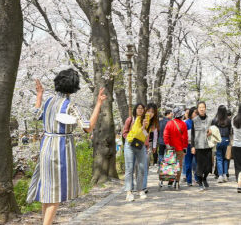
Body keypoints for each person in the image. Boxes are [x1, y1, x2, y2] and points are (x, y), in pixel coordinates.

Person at [27, 69, 106, 225]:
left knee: (48, 192)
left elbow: (36, 114)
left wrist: (39, 95)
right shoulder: (70, 106)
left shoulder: (49, 101)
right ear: (74, 87)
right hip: (61, 149)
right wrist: (98, 104)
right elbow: (88, 127)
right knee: (55, 193)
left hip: (46, 147)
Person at [121, 102, 151, 201]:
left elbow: (146, 134)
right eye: (138, 108)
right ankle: (129, 192)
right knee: (129, 168)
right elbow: (124, 132)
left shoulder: (146, 121)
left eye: (142, 108)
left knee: (142, 167)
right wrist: (130, 138)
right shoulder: (130, 119)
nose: (140, 110)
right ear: (135, 110)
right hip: (130, 145)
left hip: (140, 146)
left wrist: (144, 128)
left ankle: (139, 189)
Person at [163, 107, 189, 190]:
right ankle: (177, 182)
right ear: (181, 115)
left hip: (170, 148)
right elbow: (185, 138)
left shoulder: (169, 123)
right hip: (180, 148)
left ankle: (170, 181)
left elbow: (165, 135)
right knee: (179, 165)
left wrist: (167, 145)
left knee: (170, 164)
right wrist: (185, 148)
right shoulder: (183, 124)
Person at [190, 101, 212, 190]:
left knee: (208, 166)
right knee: (199, 166)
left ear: (205, 108)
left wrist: (211, 132)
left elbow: (214, 131)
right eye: (200, 108)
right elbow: (192, 134)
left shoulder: (210, 120)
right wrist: (192, 146)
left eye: (203, 107)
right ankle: (200, 183)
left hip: (208, 146)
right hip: (198, 146)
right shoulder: (194, 121)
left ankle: (204, 178)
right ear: (198, 109)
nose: (202, 109)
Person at [140, 103, 159, 192]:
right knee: (139, 166)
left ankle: (144, 186)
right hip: (138, 145)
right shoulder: (140, 120)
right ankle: (138, 184)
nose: (150, 113)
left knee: (146, 165)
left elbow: (155, 136)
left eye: (152, 112)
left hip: (148, 146)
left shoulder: (154, 123)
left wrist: (154, 146)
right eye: (148, 111)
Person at [212, 105, 232, 182]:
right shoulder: (228, 121)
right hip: (226, 139)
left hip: (218, 140)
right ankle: (225, 174)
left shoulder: (215, 120)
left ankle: (220, 175)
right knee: (226, 158)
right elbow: (230, 130)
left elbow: (212, 129)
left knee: (219, 158)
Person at [182, 106, 197, 186]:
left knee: (196, 163)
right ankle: (189, 180)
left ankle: (197, 178)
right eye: (195, 112)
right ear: (191, 113)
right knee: (188, 163)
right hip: (188, 144)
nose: (196, 114)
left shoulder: (198, 122)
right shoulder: (187, 122)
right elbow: (184, 135)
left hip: (197, 144)